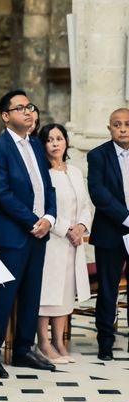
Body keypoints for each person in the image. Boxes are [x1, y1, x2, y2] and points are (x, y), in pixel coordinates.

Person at [0, 89, 58, 378]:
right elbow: (1, 192)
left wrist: (49, 218)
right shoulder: (0, 147)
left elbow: (48, 187)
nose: (28, 112)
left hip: (39, 232)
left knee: (32, 294)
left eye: (30, 106)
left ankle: (23, 349)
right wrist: (33, 220)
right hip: (13, 235)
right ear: (6, 116)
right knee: (4, 299)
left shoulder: (35, 145)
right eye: (20, 108)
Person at [37, 123, 92, 363]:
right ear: (44, 145)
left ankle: (59, 342)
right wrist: (64, 229)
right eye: (50, 140)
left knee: (65, 295)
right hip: (52, 242)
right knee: (48, 295)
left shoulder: (75, 172)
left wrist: (81, 227)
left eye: (59, 138)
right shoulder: (43, 173)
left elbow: (85, 206)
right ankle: (43, 343)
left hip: (73, 243)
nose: (56, 143)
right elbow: (41, 208)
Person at [87, 107, 129, 361]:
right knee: (108, 289)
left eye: (127, 124)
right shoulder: (98, 155)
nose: (123, 128)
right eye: (117, 124)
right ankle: (105, 340)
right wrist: (126, 217)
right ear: (109, 128)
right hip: (110, 232)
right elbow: (98, 192)